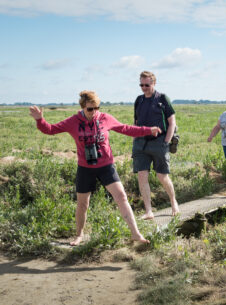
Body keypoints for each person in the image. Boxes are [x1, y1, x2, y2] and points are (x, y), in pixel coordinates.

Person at [29, 91, 161, 246]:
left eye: (96, 108)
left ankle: (136, 234)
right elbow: (51, 130)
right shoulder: (74, 121)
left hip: (106, 166)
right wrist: (40, 120)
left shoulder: (105, 118)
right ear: (83, 107)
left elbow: (126, 128)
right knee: (82, 204)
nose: (94, 112)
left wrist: (148, 130)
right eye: (90, 109)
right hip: (85, 168)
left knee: (121, 197)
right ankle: (79, 235)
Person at [132, 71, 179, 220]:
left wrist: (166, 141)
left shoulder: (163, 98)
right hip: (140, 143)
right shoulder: (138, 100)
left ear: (154, 83)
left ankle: (173, 203)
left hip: (159, 142)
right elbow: (136, 122)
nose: (144, 87)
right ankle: (149, 211)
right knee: (141, 175)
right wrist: (135, 139)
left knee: (162, 176)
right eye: (141, 85)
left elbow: (172, 122)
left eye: (147, 84)